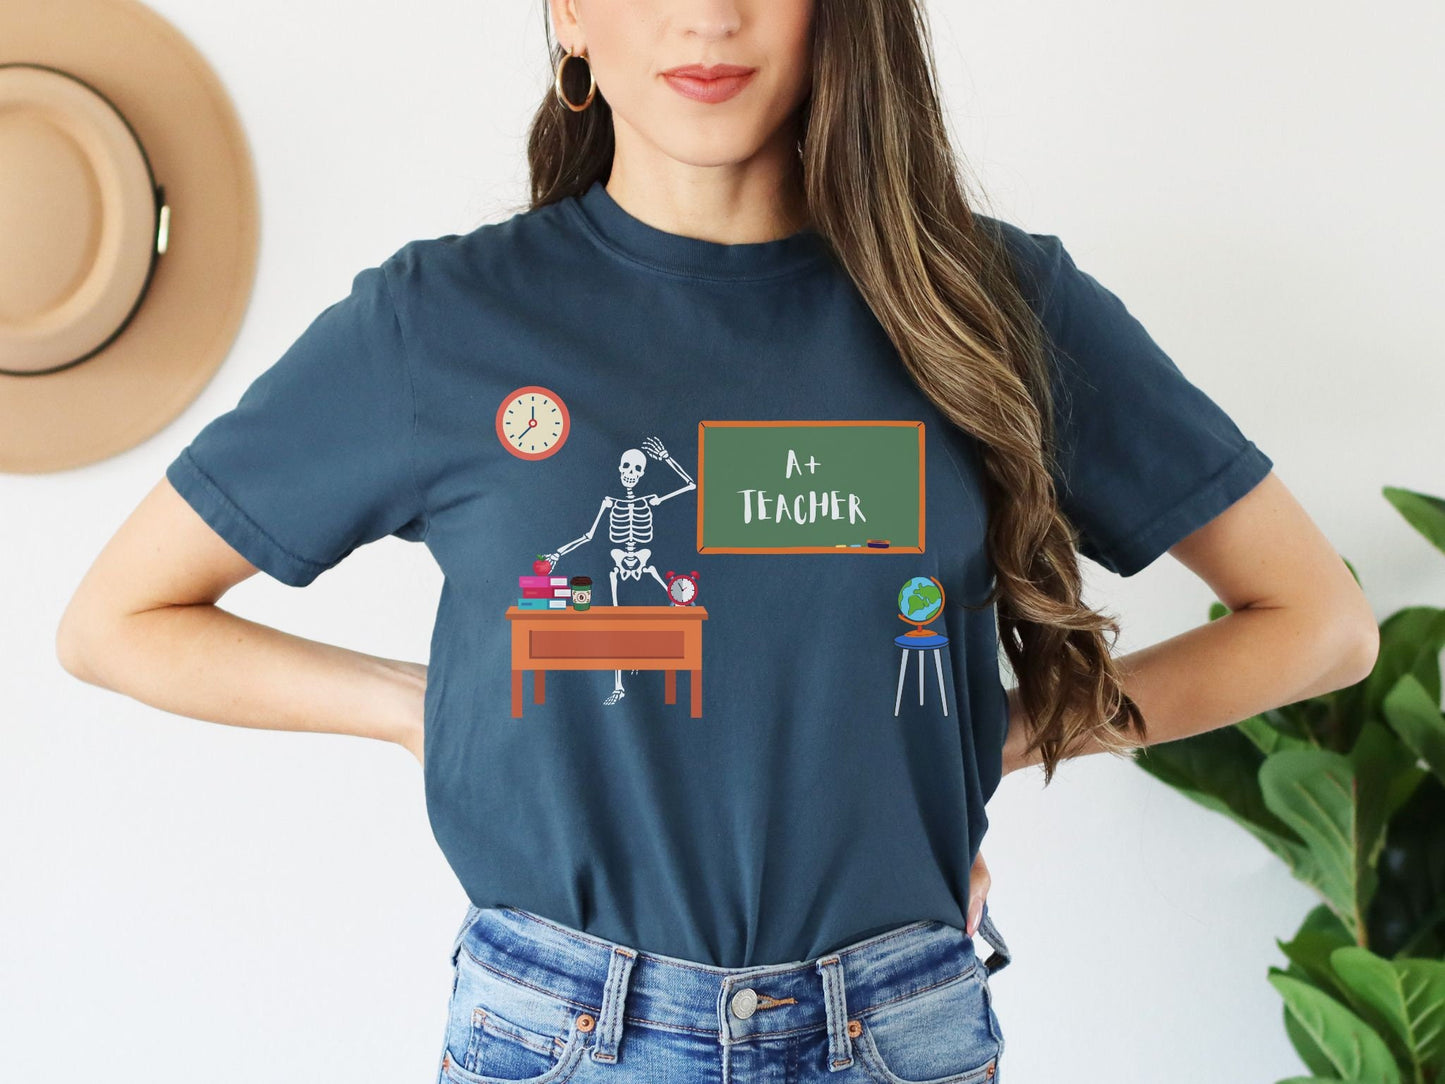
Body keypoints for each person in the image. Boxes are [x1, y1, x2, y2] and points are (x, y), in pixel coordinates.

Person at [55, 1, 1379, 1081]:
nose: (708, 17)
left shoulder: (993, 303)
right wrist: (419, 706)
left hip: (895, 1029)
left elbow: (1314, 624)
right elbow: (117, 623)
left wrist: (1004, 729)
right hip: (562, 1034)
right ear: (569, 15)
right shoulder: (436, 322)